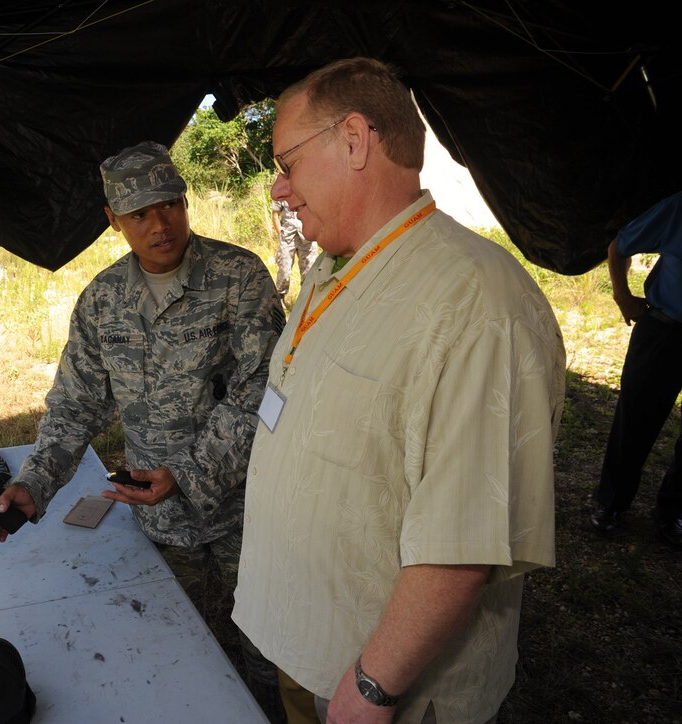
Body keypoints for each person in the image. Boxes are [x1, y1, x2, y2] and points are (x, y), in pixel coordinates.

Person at [231, 57, 567, 724]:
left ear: (354, 140)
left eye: (288, 163)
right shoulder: (334, 267)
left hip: (379, 688)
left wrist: (375, 685)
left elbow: (465, 540)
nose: (278, 189)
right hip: (308, 646)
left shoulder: (474, 302)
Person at [0, 140, 287, 720]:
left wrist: (189, 473)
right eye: (140, 213)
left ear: (184, 200)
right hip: (160, 517)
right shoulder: (102, 302)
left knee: (266, 645)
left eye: (170, 204)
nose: (161, 223)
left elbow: (261, 391)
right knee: (171, 645)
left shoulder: (237, 277)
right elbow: (76, 403)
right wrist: (36, 483)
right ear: (113, 221)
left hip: (246, 507)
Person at [589, 190, 682, 548]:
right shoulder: (678, 207)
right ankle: (611, 503)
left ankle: (672, 512)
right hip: (663, 329)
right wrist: (622, 296)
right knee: (636, 420)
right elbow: (619, 246)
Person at [270, 197, 318, 299]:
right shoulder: (283, 191)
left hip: (307, 237)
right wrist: (280, 233)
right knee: (284, 271)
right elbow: (275, 214)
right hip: (288, 238)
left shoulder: (309, 189)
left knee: (309, 271)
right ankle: (280, 298)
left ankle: (307, 300)